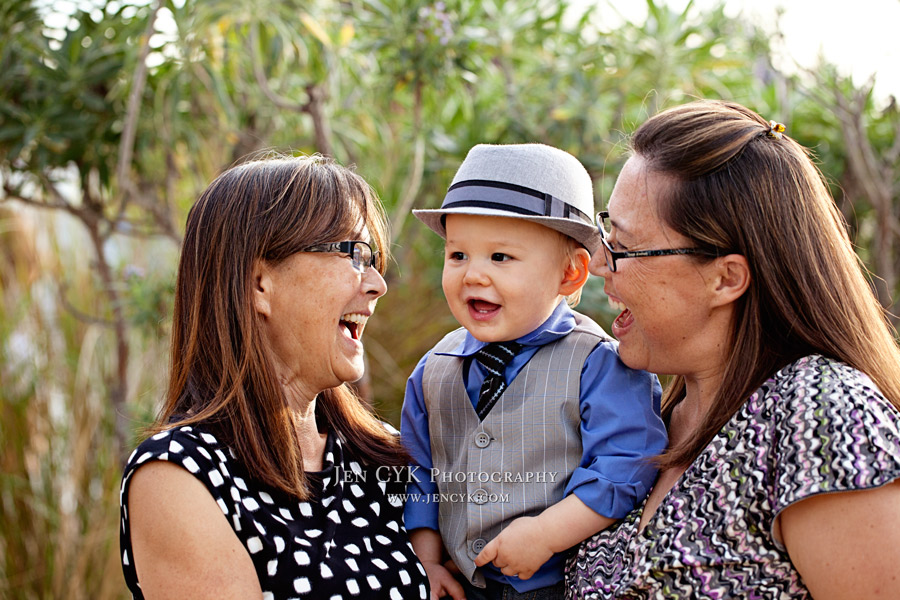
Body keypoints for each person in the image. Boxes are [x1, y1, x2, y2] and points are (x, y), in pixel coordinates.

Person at [566, 100, 900, 599]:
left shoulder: (820, 414)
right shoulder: (643, 418)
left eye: (624, 247)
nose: (597, 263)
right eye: (605, 230)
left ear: (726, 278)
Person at [119, 154, 429, 600]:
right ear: (259, 283)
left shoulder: (386, 453)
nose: (378, 283)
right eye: (354, 254)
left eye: (374, 258)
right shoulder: (179, 477)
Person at [402, 143, 668, 600]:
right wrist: (426, 559)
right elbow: (418, 473)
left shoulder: (598, 363)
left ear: (570, 274)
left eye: (500, 258)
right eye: (458, 255)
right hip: (461, 583)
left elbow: (625, 466)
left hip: (553, 586)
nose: (473, 275)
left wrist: (546, 533)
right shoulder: (434, 369)